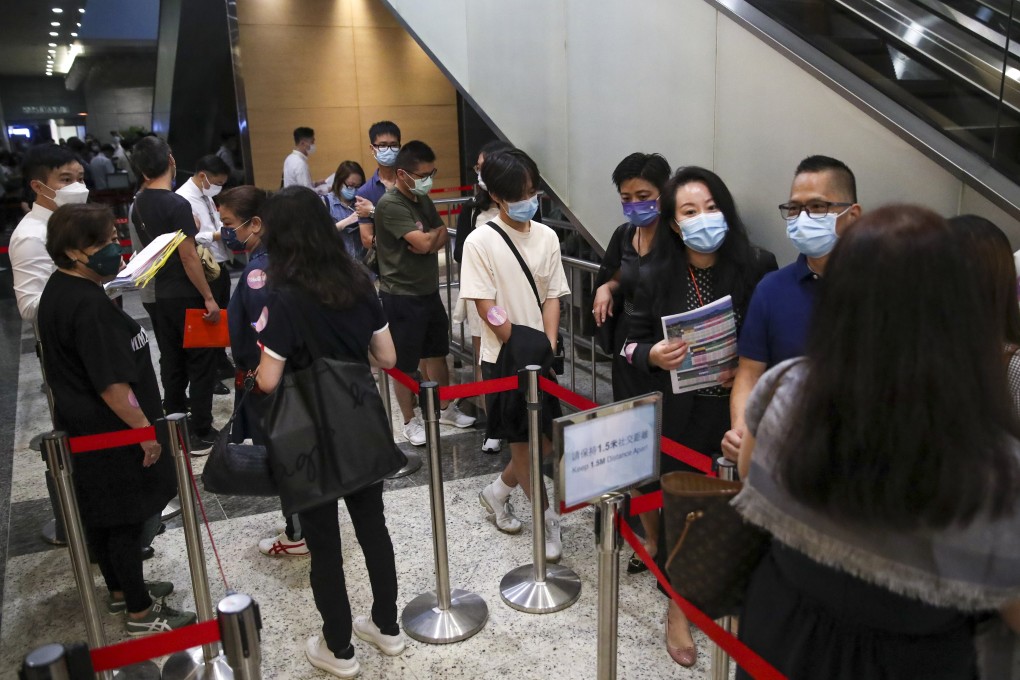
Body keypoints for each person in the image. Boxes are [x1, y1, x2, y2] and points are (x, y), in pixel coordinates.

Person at [734, 204, 1020, 679]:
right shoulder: (997, 469)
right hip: (916, 658)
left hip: (779, 628)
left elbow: (750, 475)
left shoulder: (786, 387)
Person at [626, 166, 776, 667]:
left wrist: (751, 366)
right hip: (683, 415)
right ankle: (679, 609)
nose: (703, 218)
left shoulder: (757, 265)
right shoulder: (653, 274)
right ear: (673, 223)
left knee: (740, 510)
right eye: (690, 211)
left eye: (711, 207)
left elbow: (772, 340)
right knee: (681, 515)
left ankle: (734, 597)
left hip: (741, 410)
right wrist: (651, 355)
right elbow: (625, 344)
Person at [253, 186, 406, 678]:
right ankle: (387, 626)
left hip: (307, 437)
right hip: (360, 421)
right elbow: (388, 358)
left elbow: (268, 379)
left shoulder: (281, 298)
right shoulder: (359, 281)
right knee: (373, 528)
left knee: (324, 544)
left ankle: (338, 649)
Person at [37, 203, 196, 635]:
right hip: (109, 431)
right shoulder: (87, 306)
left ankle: (124, 589)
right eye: (102, 243)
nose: (114, 248)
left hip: (89, 427)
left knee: (107, 518)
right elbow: (112, 386)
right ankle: (141, 613)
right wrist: (145, 432)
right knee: (125, 520)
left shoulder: (64, 290)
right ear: (73, 252)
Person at [461, 147, 571, 562]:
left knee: (543, 441)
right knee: (522, 444)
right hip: (504, 360)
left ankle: (497, 491)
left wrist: (548, 343)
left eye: (533, 190)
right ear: (497, 196)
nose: (530, 199)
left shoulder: (548, 237)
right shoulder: (480, 241)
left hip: (539, 358)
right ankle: (547, 519)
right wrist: (521, 343)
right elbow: (485, 304)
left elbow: (553, 295)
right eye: (520, 193)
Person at [721, 155, 860, 463]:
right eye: (795, 208)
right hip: (784, 462)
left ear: (853, 216)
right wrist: (742, 431)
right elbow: (749, 374)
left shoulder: (883, 287)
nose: (803, 217)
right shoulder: (771, 290)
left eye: (818, 207)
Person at [589, 152, 671, 575]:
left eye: (644, 195)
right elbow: (622, 272)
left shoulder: (677, 238)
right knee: (636, 450)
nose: (635, 204)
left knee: (667, 449)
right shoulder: (626, 234)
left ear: (664, 193)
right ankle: (652, 539)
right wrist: (607, 285)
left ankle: (673, 541)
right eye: (626, 197)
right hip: (628, 356)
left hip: (666, 359)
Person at [219, 185, 307, 558]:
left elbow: (262, 334)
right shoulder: (281, 259)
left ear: (255, 223)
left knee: (285, 457)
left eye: (229, 224)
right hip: (284, 381)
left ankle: (298, 533)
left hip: (270, 383)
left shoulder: (259, 273)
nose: (226, 232)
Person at [374, 140, 475, 445]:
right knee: (403, 363)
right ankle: (409, 420)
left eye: (431, 173)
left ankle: (445, 406)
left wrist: (431, 238)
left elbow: (442, 234)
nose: (427, 180)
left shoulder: (422, 200)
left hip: (428, 291)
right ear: (402, 174)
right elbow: (426, 243)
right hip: (401, 296)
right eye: (422, 175)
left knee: (437, 352)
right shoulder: (391, 205)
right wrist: (431, 239)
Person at [131, 136, 221, 455]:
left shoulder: (138, 203)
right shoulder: (176, 204)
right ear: (170, 159)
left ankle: (175, 425)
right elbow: (188, 257)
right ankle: (200, 430)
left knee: (172, 361)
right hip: (186, 293)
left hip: (162, 295)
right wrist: (208, 297)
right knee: (202, 362)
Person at [452, 139, 512, 454]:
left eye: (485, 167)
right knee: (484, 361)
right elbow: (461, 253)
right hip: (482, 298)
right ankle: (493, 426)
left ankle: (515, 421)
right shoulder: (471, 209)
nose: (480, 174)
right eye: (478, 168)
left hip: (514, 297)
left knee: (514, 361)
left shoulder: (520, 209)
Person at [175, 154, 234, 395]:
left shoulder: (206, 195)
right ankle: (209, 376)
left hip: (220, 262)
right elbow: (191, 238)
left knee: (221, 316)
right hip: (205, 265)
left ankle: (220, 361)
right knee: (208, 320)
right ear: (203, 177)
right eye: (217, 182)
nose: (219, 187)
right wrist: (220, 234)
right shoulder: (182, 199)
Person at [10, 145, 87, 322]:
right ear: (38, 187)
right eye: (66, 180)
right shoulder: (31, 236)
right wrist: (87, 275)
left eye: (80, 179)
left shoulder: (72, 221)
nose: (77, 187)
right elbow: (30, 309)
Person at [355, 121, 401, 252]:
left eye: (393, 145)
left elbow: (418, 222)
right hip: (386, 265)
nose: (389, 150)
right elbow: (367, 240)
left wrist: (373, 211)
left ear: (400, 147)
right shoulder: (365, 192)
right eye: (382, 146)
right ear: (372, 148)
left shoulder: (409, 182)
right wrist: (404, 241)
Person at [323, 160, 368, 262]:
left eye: (358, 186)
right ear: (339, 181)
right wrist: (346, 222)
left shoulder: (362, 202)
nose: (354, 190)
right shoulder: (325, 202)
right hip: (337, 265)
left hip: (361, 264)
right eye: (350, 185)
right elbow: (318, 234)